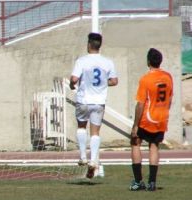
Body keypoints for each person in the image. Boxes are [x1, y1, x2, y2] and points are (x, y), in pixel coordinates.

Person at [69, 32, 118, 178]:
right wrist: (104, 83)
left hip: (84, 100)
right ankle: (92, 160)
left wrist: (72, 84)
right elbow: (114, 81)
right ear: (99, 45)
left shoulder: (82, 61)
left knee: (81, 126)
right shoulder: (107, 62)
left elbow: (74, 78)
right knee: (95, 132)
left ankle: (83, 156)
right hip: (99, 101)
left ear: (89, 44)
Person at [129, 48, 173, 191]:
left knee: (135, 142)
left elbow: (140, 104)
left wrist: (135, 125)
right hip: (161, 117)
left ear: (148, 61)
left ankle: (138, 182)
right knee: (154, 146)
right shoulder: (168, 77)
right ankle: (152, 182)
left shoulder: (146, 79)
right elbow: (170, 98)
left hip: (148, 118)